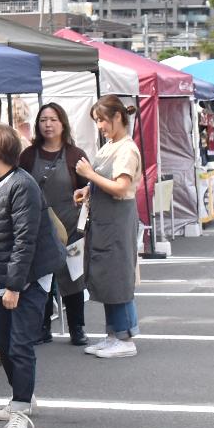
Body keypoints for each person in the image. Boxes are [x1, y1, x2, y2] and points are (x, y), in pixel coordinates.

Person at [0, 124, 64, 428]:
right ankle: (21, 397)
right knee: (4, 343)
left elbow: (25, 240)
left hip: (28, 277)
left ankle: (21, 412)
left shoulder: (21, 185)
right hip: (4, 274)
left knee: (20, 344)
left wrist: (14, 286)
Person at [75, 96, 142, 359]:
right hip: (106, 219)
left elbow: (121, 186)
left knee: (117, 277)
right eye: (97, 121)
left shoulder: (126, 148)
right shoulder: (111, 145)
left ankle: (125, 337)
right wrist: (86, 188)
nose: (100, 125)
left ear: (117, 117)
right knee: (107, 276)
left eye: (102, 120)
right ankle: (113, 334)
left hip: (117, 219)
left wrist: (90, 175)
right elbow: (104, 181)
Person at [18, 102, 90, 346]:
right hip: (39, 224)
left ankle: (77, 328)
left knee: (73, 277)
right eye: (43, 120)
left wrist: (84, 191)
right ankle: (43, 326)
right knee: (42, 276)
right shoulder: (28, 155)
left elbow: (89, 186)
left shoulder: (75, 154)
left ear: (63, 123)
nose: (48, 125)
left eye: (53, 119)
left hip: (70, 223)